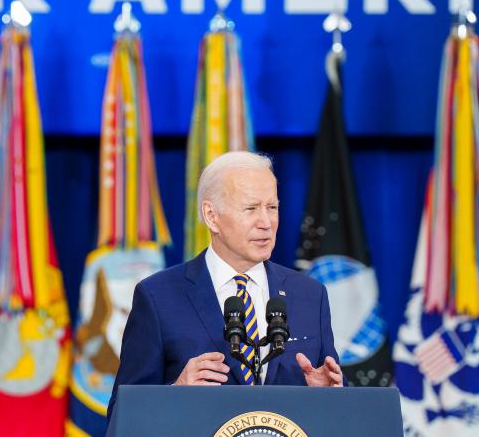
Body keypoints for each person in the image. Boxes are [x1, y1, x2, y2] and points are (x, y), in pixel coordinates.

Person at [108, 151, 341, 419]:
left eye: (272, 207)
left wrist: (328, 396)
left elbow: (333, 412)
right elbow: (121, 416)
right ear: (212, 216)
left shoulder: (310, 295)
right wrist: (175, 392)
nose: (266, 223)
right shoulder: (158, 297)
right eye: (251, 208)